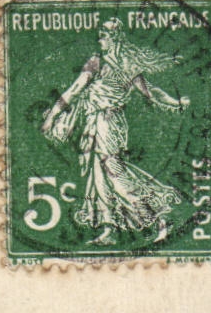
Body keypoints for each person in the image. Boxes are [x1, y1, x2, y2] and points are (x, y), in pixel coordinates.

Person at [40, 18, 188, 246]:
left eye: (104, 35)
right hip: (98, 122)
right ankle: (109, 229)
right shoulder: (111, 63)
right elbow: (76, 90)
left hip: (107, 122)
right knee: (98, 174)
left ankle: (156, 217)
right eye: (99, 35)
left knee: (113, 170)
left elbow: (151, 92)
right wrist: (175, 102)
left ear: (115, 38)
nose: (100, 39)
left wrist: (51, 117)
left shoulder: (108, 64)